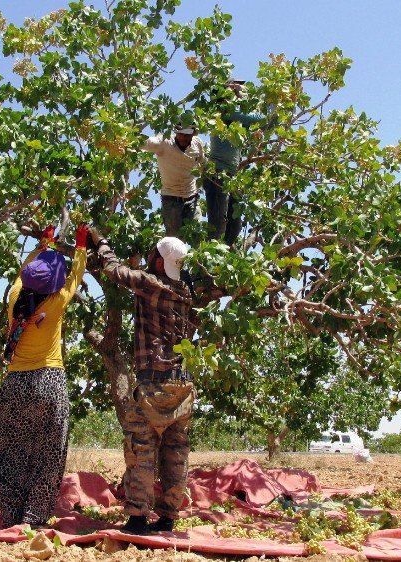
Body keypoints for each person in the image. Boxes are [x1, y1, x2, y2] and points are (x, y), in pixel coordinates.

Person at [88, 227, 195, 535]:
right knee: (176, 453)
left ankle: (137, 519)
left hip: (153, 384)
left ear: (159, 263)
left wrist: (100, 242)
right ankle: (168, 517)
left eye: (152, 255)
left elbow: (113, 269)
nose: (148, 257)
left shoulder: (150, 284)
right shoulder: (186, 293)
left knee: (141, 450)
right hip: (183, 386)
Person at [0, 223, 88, 529]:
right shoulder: (56, 303)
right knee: (49, 453)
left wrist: (45, 242)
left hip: (15, 384)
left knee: (5, 446)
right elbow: (76, 276)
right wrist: (80, 245)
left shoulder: (15, 296)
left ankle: (12, 512)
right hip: (49, 383)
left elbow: (24, 268)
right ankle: (35, 516)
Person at [204, 80, 267, 245]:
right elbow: (256, 119)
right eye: (232, 88)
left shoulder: (236, 116)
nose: (236, 90)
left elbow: (263, 122)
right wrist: (268, 106)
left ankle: (221, 261)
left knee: (235, 226)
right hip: (217, 173)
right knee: (217, 226)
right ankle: (208, 264)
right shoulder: (224, 111)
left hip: (232, 175)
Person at [143, 116, 207, 236]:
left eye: (186, 134)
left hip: (192, 198)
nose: (183, 137)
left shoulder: (197, 143)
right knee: (173, 243)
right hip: (171, 200)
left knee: (198, 235)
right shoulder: (163, 143)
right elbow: (143, 142)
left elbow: (203, 164)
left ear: (193, 133)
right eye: (180, 133)